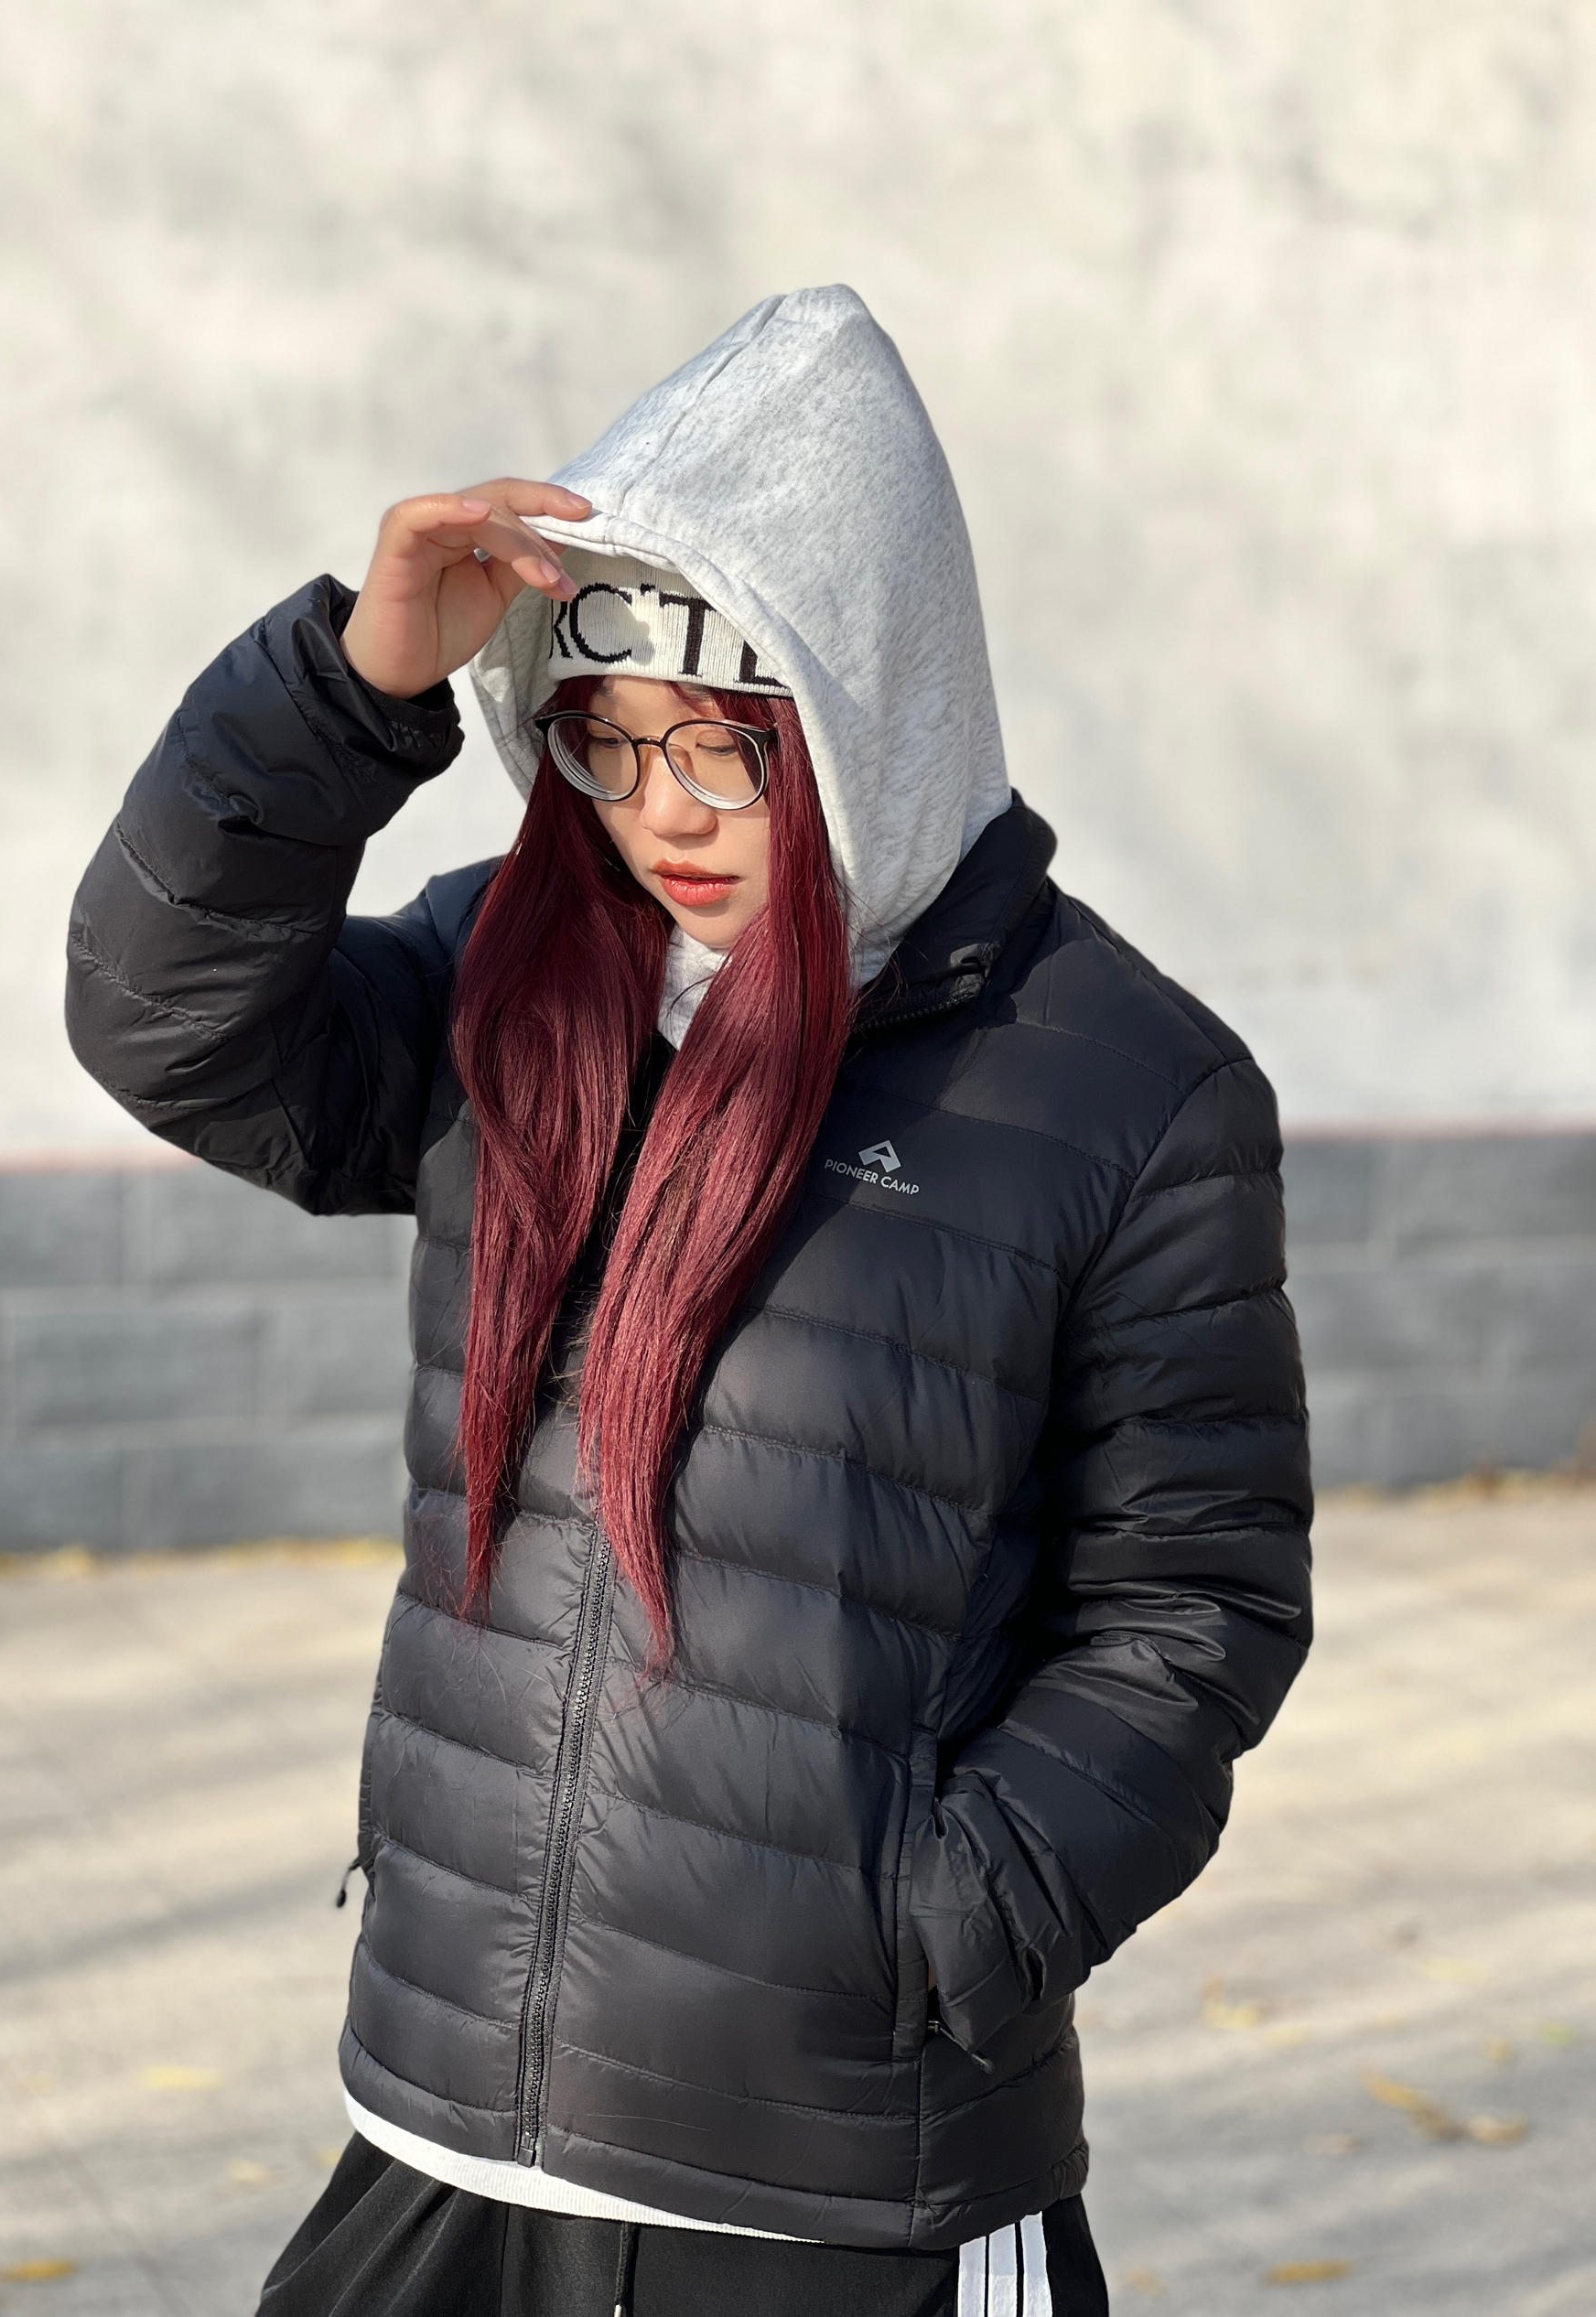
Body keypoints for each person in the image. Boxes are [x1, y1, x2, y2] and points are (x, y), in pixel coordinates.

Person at [67, 285, 1312, 2317]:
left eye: (726, 746)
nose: (661, 812)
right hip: (453, 2108)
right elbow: (164, 1025)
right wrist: (345, 689)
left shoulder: (1122, 1089)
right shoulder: (510, 982)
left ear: (866, 707)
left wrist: (936, 1924)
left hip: (834, 2174)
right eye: (607, 742)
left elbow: (1194, 1603)